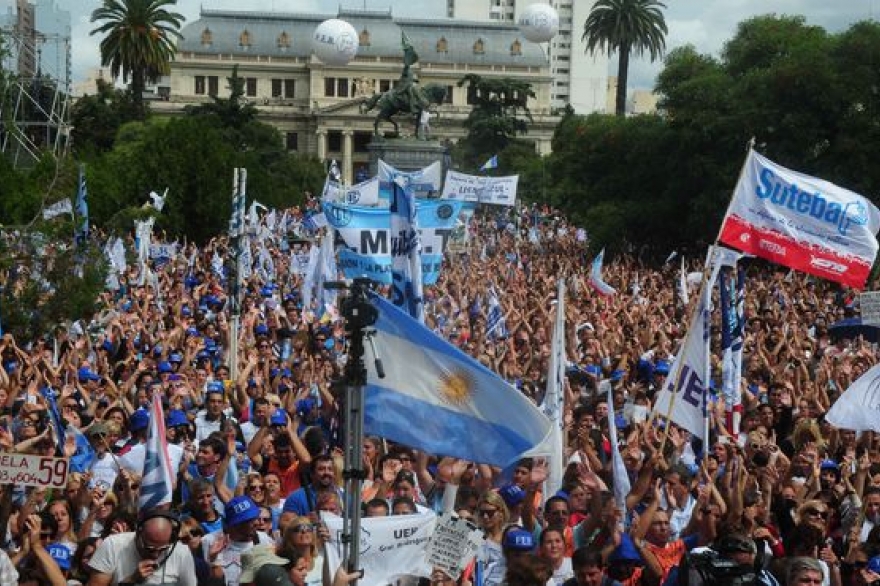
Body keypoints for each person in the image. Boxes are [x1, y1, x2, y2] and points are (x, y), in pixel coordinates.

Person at [86, 508, 197, 586]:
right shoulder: (113, 545)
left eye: (163, 549)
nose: (156, 554)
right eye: (150, 548)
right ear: (138, 534)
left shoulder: (181, 552)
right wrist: (131, 580)